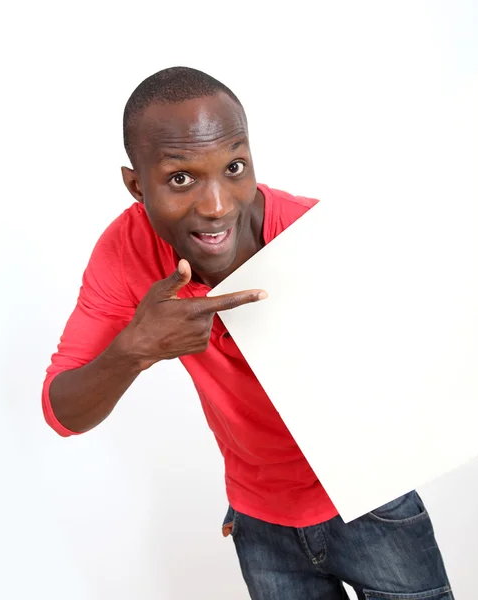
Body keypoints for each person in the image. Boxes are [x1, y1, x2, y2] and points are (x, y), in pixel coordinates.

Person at [42, 67, 454, 600]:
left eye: (234, 166)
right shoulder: (124, 254)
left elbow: (434, 351)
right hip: (260, 522)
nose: (217, 204)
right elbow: (62, 412)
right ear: (135, 185)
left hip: (372, 500)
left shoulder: (317, 236)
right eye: (180, 178)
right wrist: (135, 350)